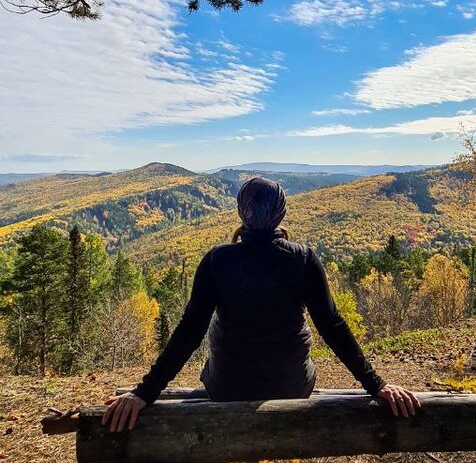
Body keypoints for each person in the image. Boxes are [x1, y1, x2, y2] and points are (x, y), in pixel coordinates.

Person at [102, 176, 420, 432]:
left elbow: (189, 332)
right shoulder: (303, 259)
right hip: (292, 385)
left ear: (241, 212)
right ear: (281, 214)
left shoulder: (217, 261)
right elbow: (332, 326)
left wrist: (145, 392)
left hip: (226, 387)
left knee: (210, 365)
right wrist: (375, 384)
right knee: (307, 362)